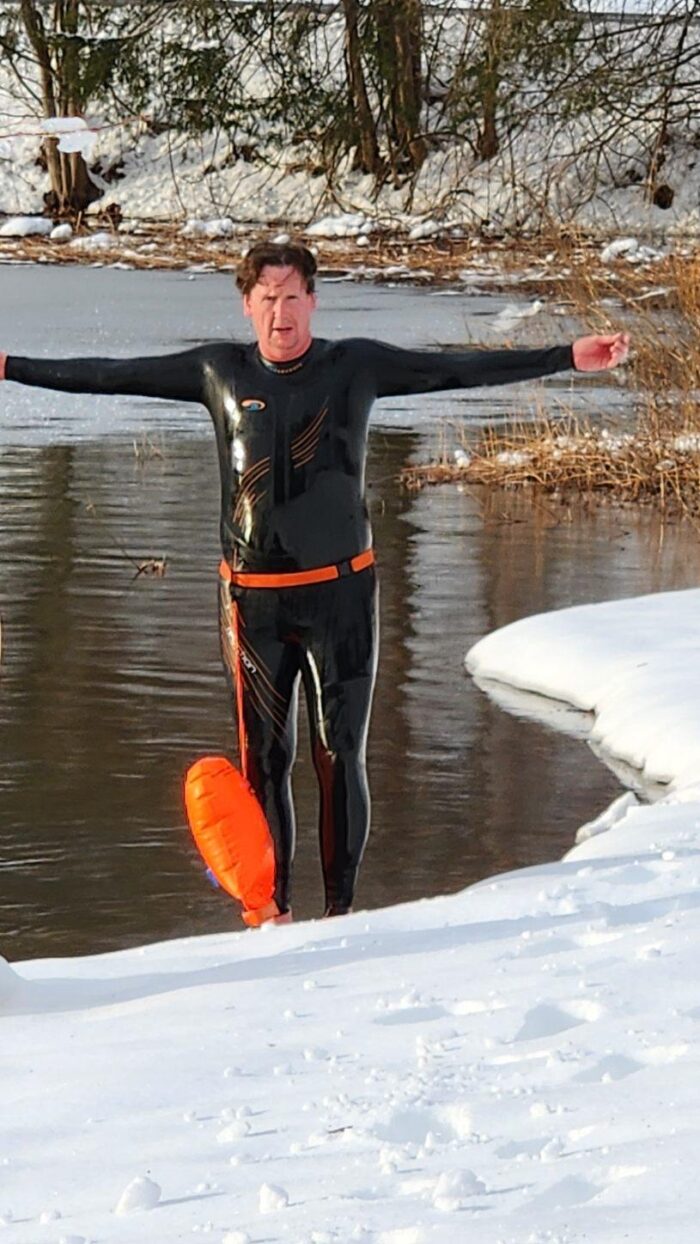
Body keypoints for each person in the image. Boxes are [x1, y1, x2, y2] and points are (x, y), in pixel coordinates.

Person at [0, 240, 630, 922]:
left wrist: (566, 356)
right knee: (264, 763)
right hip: (252, 606)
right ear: (248, 306)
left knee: (339, 756)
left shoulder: (352, 367)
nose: (281, 315)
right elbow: (108, 375)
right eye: (267, 300)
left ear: (312, 301)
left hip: (342, 598)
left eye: (292, 298)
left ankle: (341, 915)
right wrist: (10, 366)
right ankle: (271, 914)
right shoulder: (218, 371)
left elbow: (455, 369)